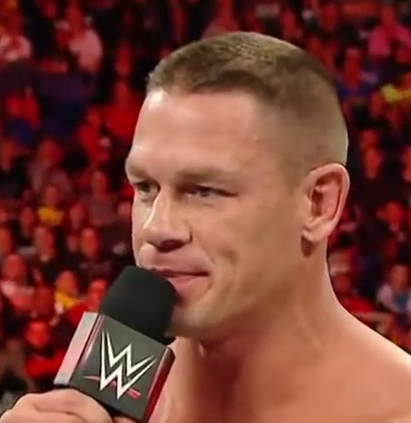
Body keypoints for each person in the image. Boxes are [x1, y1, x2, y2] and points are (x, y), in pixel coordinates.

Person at [2, 31, 411, 423]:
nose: (156, 228)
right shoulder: (99, 406)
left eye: (204, 191)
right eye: (145, 187)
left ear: (318, 204)